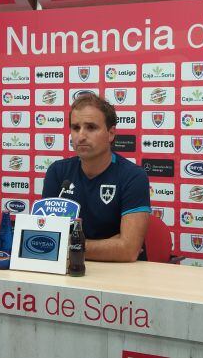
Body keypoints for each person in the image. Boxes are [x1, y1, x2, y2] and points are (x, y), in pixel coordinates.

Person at [42, 93, 150, 262]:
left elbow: (128, 250)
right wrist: (111, 244)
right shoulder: (57, 172)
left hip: (122, 276)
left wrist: (66, 245)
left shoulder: (133, 176)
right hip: (70, 269)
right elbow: (46, 240)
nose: (81, 136)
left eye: (91, 127)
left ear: (111, 133)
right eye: (76, 128)